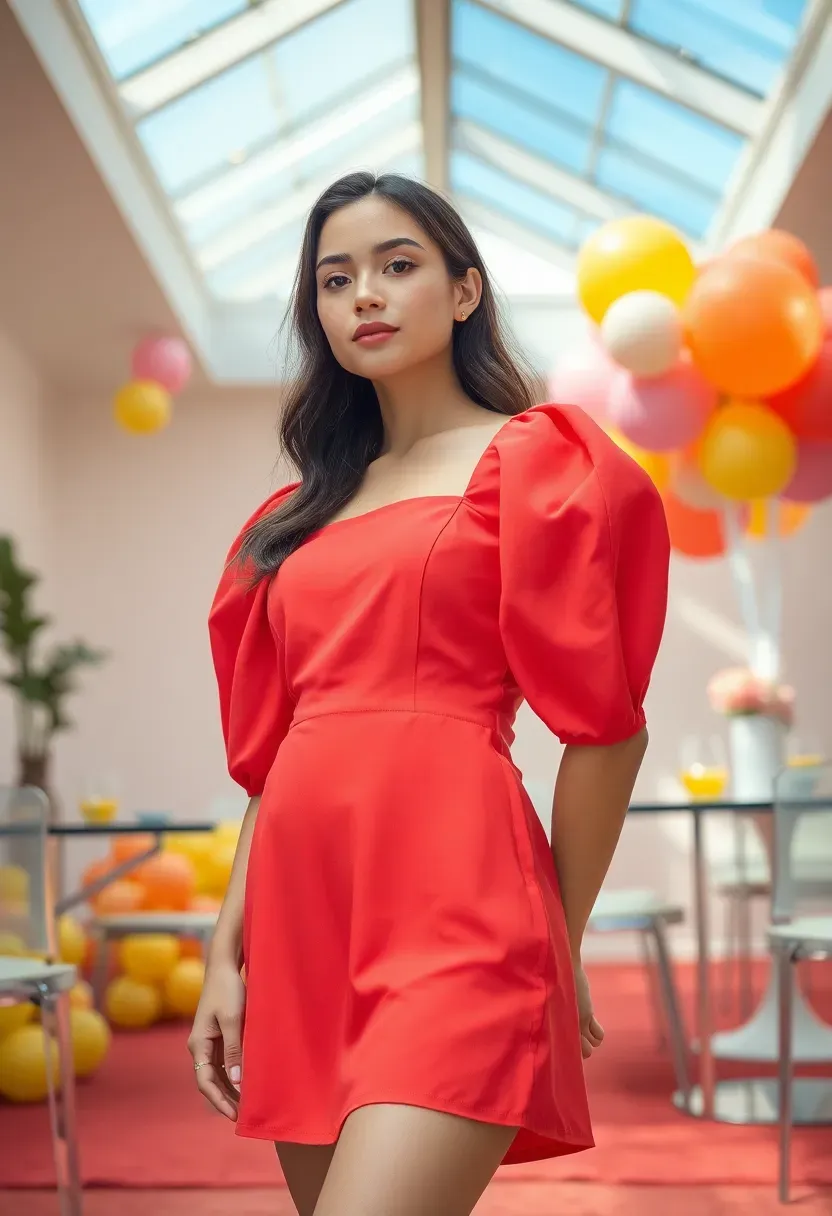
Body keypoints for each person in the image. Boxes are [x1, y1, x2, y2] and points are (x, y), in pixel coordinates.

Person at [189, 171, 670, 1216]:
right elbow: (274, 760)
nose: (363, 293)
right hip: (303, 924)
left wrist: (560, 934)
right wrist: (225, 952)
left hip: (464, 909)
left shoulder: (537, 462)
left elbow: (605, 731)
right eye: (335, 278)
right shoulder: (294, 516)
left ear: (462, 291)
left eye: (396, 265)